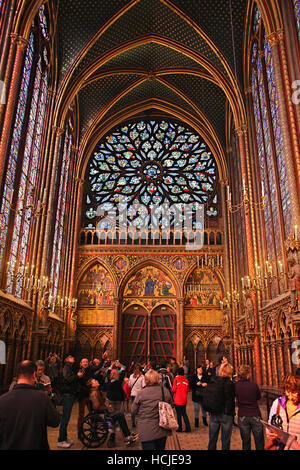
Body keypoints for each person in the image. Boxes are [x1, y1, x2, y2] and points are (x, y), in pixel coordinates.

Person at [0, 360, 60, 450]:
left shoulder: (2, 400)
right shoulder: (42, 398)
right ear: (34, 374)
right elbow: (55, 421)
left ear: (18, 374)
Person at [86, 378, 138, 447]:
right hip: (102, 416)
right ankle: (127, 436)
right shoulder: (94, 393)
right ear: (92, 385)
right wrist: (107, 408)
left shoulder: (96, 391)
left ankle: (127, 435)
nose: (97, 381)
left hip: (102, 414)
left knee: (119, 415)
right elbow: (96, 407)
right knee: (120, 414)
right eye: (94, 381)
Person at [132, 369, 172, 450]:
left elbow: (133, 410)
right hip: (161, 427)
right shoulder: (164, 391)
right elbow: (170, 404)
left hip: (146, 428)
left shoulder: (141, 393)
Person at [234, 365, 264, 450]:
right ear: (248, 374)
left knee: (246, 442)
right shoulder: (253, 385)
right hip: (255, 414)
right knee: (259, 441)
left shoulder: (236, 385)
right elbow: (258, 397)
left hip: (242, 415)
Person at [266, 374, 300, 450]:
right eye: (288, 392)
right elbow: (270, 424)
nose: (290, 397)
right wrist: (270, 433)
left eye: (294, 392)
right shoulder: (277, 404)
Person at [207, 363, 235, 450]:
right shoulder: (231, 384)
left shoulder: (214, 381)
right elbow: (232, 399)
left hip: (214, 412)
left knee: (212, 439)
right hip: (226, 414)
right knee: (225, 441)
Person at [57, 354, 78, 448]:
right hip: (67, 395)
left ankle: (64, 438)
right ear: (66, 359)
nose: (73, 358)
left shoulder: (69, 367)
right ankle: (61, 440)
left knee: (66, 418)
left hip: (69, 394)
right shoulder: (66, 367)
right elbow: (68, 379)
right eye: (71, 357)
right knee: (65, 418)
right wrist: (77, 376)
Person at [171, 367, 191, 433]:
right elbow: (187, 390)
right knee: (184, 414)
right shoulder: (186, 380)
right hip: (184, 399)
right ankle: (188, 428)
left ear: (177, 373)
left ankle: (180, 428)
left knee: (179, 415)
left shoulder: (176, 379)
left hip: (177, 399)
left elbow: (173, 389)